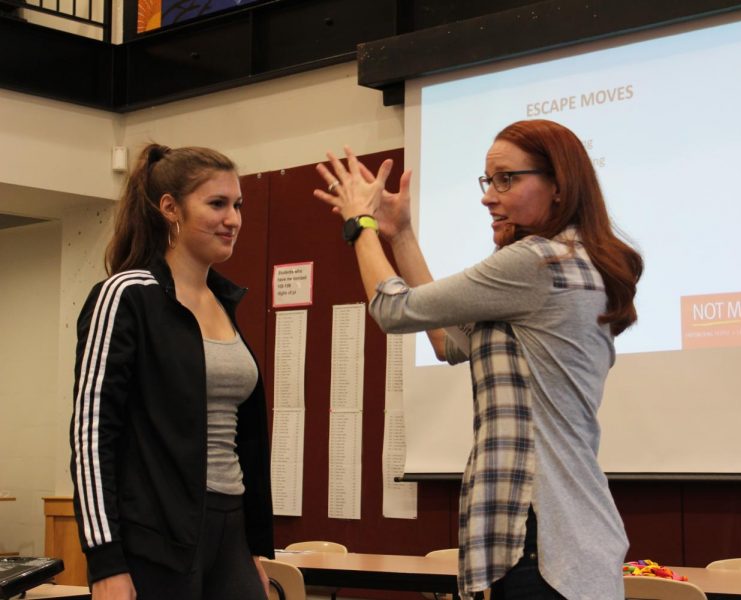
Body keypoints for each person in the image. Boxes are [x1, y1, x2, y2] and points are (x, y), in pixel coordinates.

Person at [313, 119, 643, 600]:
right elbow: (447, 341)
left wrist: (359, 225)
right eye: (489, 180)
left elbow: (393, 308)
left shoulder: (538, 261)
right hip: (563, 536)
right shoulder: (574, 260)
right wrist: (400, 234)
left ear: (558, 186)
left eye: (507, 179)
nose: (490, 195)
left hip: (544, 538)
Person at [70, 144, 274, 600]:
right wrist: (105, 561)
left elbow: (238, 436)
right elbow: (91, 433)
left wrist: (251, 552)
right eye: (217, 204)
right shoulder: (126, 295)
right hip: (156, 539)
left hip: (230, 529)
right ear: (170, 209)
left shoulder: (224, 302)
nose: (234, 219)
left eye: (238, 205)